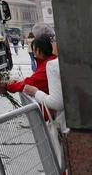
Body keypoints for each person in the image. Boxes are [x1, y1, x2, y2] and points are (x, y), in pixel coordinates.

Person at [24, 38, 66, 166]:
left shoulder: (52, 65)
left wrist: (36, 92)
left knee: (61, 160)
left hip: (66, 122)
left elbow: (56, 102)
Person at [2, 34, 54, 98]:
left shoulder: (48, 66)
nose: (34, 53)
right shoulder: (51, 60)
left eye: (34, 49)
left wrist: (8, 86)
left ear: (38, 50)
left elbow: (31, 83)